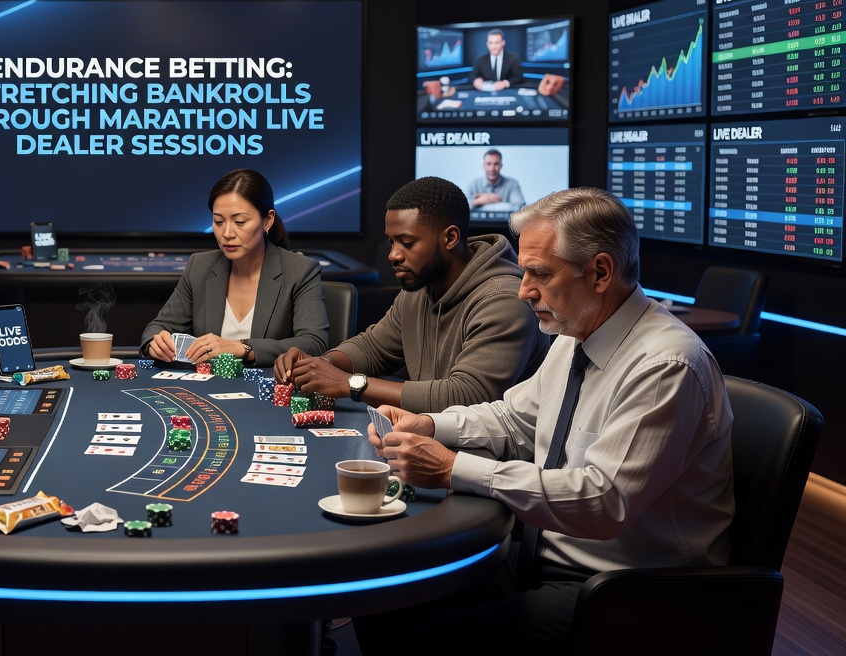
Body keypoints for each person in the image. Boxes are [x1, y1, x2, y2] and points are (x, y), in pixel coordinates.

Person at [360, 187, 734, 655]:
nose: (523, 290)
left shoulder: (666, 365)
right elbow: (514, 418)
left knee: (431, 642)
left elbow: (603, 501)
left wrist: (452, 469)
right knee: (382, 600)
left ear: (600, 272)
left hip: (623, 590)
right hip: (541, 557)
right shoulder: (575, 332)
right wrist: (431, 426)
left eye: (539, 273)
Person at [274, 176, 547, 411]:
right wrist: (321, 365)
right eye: (392, 242)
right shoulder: (419, 287)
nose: (393, 255)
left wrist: (348, 383)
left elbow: (468, 395)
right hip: (432, 437)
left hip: (494, 459)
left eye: (407, 243)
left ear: (450, 238)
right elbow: (373, 348)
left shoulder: (504, 300)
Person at [141, 169, 327, 368]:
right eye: (218, 222)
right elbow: (157, 328)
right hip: (206, 389)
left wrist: (243, 348)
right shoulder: (199, 266)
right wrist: (156, 342)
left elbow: (314, 344)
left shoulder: (300, 271)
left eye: (240, 222)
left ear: (268, 220)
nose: (227, 233)